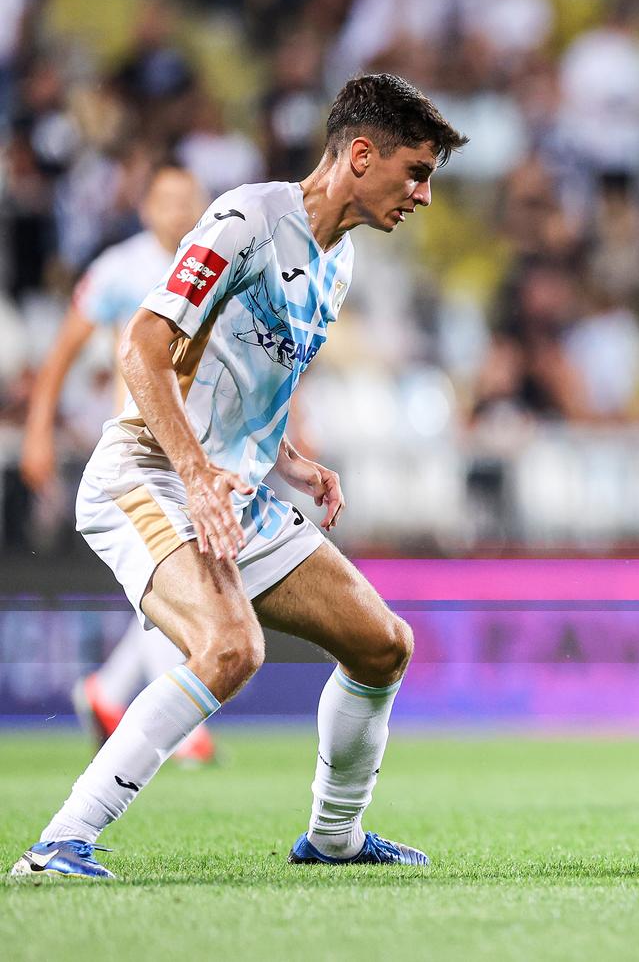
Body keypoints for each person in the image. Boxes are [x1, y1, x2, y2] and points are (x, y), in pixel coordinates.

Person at [11, 73, 467, 880]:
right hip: (145, 476)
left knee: (382, 645)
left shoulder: (339, 264)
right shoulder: (245, 219)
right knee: (230, 647)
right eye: (418, 171)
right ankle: (59, 843)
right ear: (361, 155)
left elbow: (248, 379)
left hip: (235, 497)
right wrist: (194, 474)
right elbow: (143, 350)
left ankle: (334, 836)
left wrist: (289, 459)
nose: (424, 195)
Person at [20, 164, 219, 766]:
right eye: (167, 199)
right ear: (145, 208)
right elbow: (59, 357)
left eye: (190, 198)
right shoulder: (118, 270)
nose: (179, 210)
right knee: (171, 572)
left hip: (201, 449)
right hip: (136, 453)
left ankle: (107, 692)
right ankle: (182, 729)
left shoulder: (221, 259)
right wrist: (37, 433)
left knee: (176, 579)